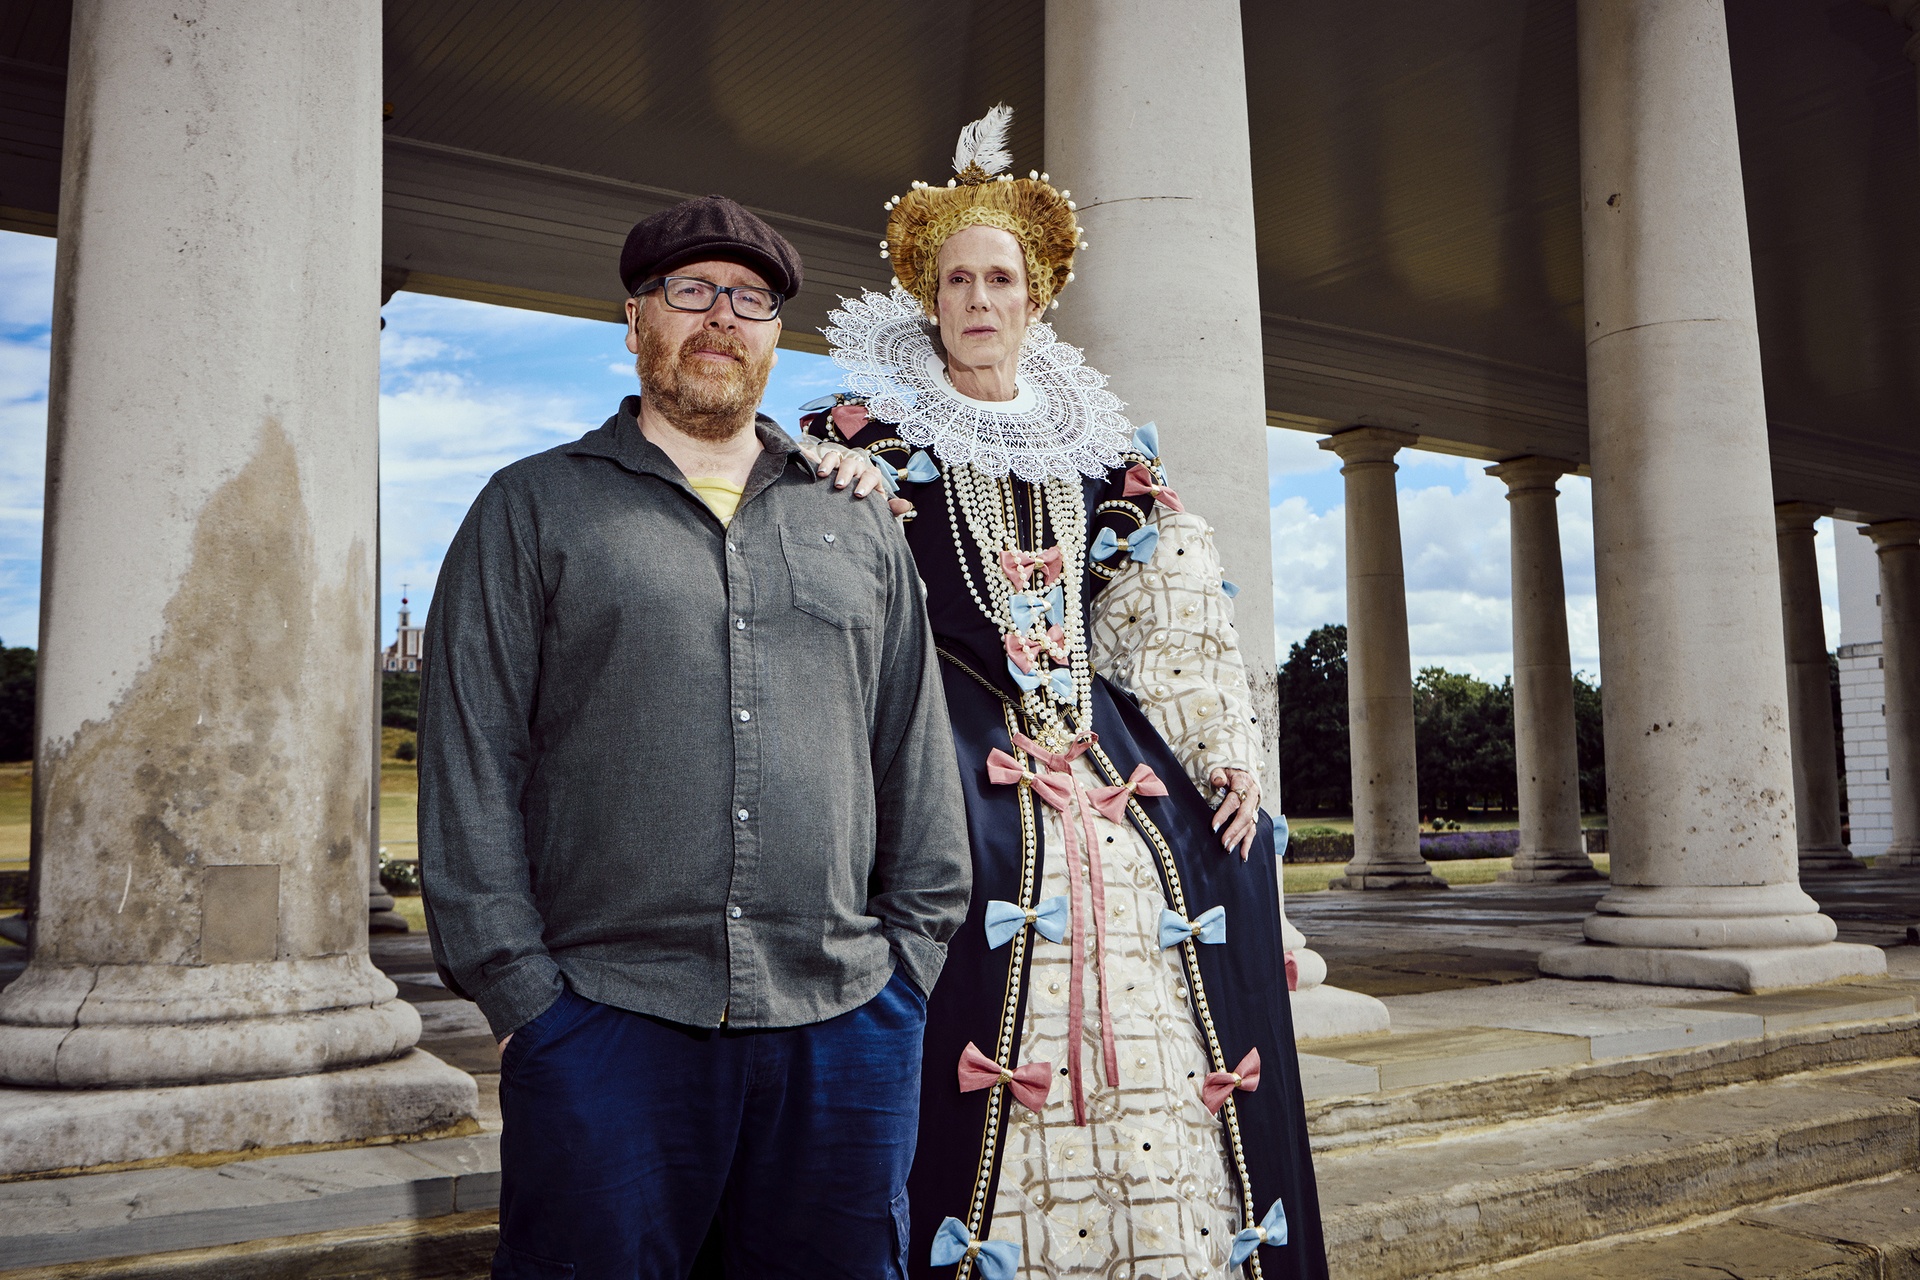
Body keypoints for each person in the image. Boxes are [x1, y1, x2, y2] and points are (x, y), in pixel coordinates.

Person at [803, 108, 1329, 1279]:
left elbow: (1173, 595)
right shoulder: (864, 436)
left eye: (1001, 279)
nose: (980, 299)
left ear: (1036, 297)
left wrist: (1224, 749)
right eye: (957, 281)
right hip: (946, 722)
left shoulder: (1103, 453)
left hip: (1102, 736)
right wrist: (831, 483)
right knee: (968, 868)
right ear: (926, 297)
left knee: (1203, 857)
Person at [419, 194, 973, 1280]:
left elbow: (913, 743)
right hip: (606, 1023)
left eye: (750, 298)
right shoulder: (530, 508)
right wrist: (525, 1001)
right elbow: (470, 762)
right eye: (690, 291)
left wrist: (908, 967)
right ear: (636, 323)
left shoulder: (854, 515)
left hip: (845, 1018)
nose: (721, 315)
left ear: (776, 335)